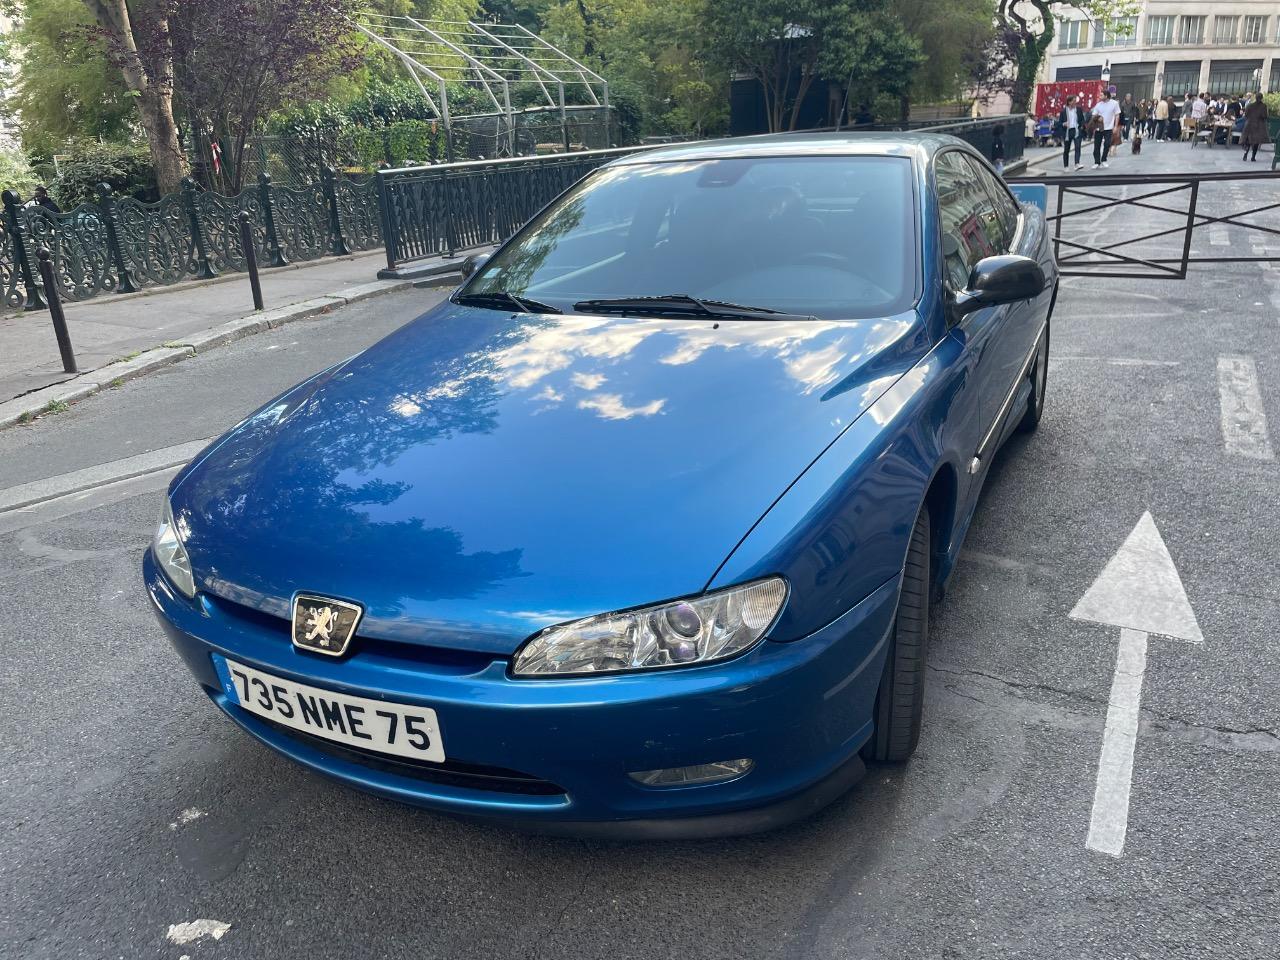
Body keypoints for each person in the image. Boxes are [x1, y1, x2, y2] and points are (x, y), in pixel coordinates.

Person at [1091, 89, 1121, 168]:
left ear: (1106, 96)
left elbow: (1117, 115)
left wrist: (1115, 126)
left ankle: (1104, 159)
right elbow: (1094, 115)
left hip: (1109, 127)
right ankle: (1097, 162)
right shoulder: (1098, 104)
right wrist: (1098, 118)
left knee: (1107, 144)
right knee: (1097, 145)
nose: (1100, 96)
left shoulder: (1114, 104)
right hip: (1099, 127)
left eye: (1101, 95)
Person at [1059, 94, 1086, 170]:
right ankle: (1066, 166)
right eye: (1074, 101)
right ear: (1069, 102)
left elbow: (1082, 119)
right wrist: (1063, 124)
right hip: (1068, 131)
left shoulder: (1078, 109)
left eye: (1075, 101)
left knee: (1078, 147)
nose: (1075, 103)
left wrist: (1081, 126)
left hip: (1076, 130)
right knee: (1066, 149)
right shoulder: (1063, 111)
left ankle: (1077, 163)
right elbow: (1059, 122)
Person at [1242, 92, 1269, 161]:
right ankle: (1253, 157)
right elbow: (1265, 116)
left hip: (1250, 124)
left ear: (1255, 98)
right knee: (1256, 142)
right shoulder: (1264, 106)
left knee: (1248, 141)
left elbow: (1246, 115)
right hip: (1258, 126)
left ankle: (1245, 154)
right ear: (1262, 98)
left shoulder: (1250, 105)